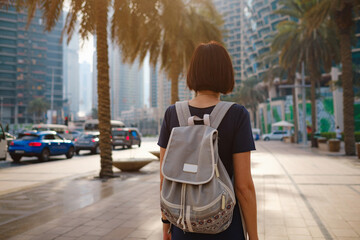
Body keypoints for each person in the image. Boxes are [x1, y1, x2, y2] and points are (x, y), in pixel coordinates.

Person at [158, 41, 258, 240]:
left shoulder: (172, 114)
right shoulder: (237, 114)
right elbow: (243, 186)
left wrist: (165, 225)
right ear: (226, 73)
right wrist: (254, 236)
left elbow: (164, 178)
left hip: (182, 225)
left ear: (192, 73)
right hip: (226, 226)